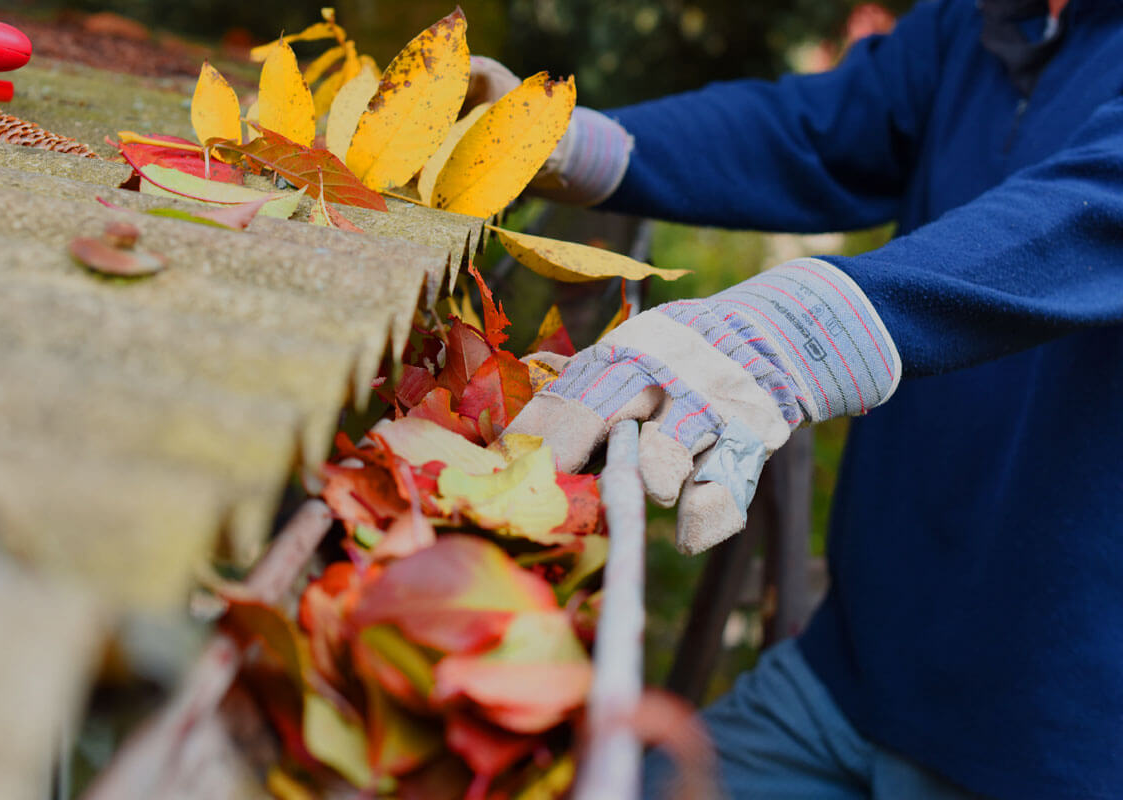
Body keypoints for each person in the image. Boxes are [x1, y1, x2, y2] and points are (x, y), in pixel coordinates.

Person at [470, 0, 1123, 797]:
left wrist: (796, 333)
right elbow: (817, 129)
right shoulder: (982, 21)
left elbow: (1097, 210)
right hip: (847, 676)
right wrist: (570, 142)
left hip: (1061, 744)